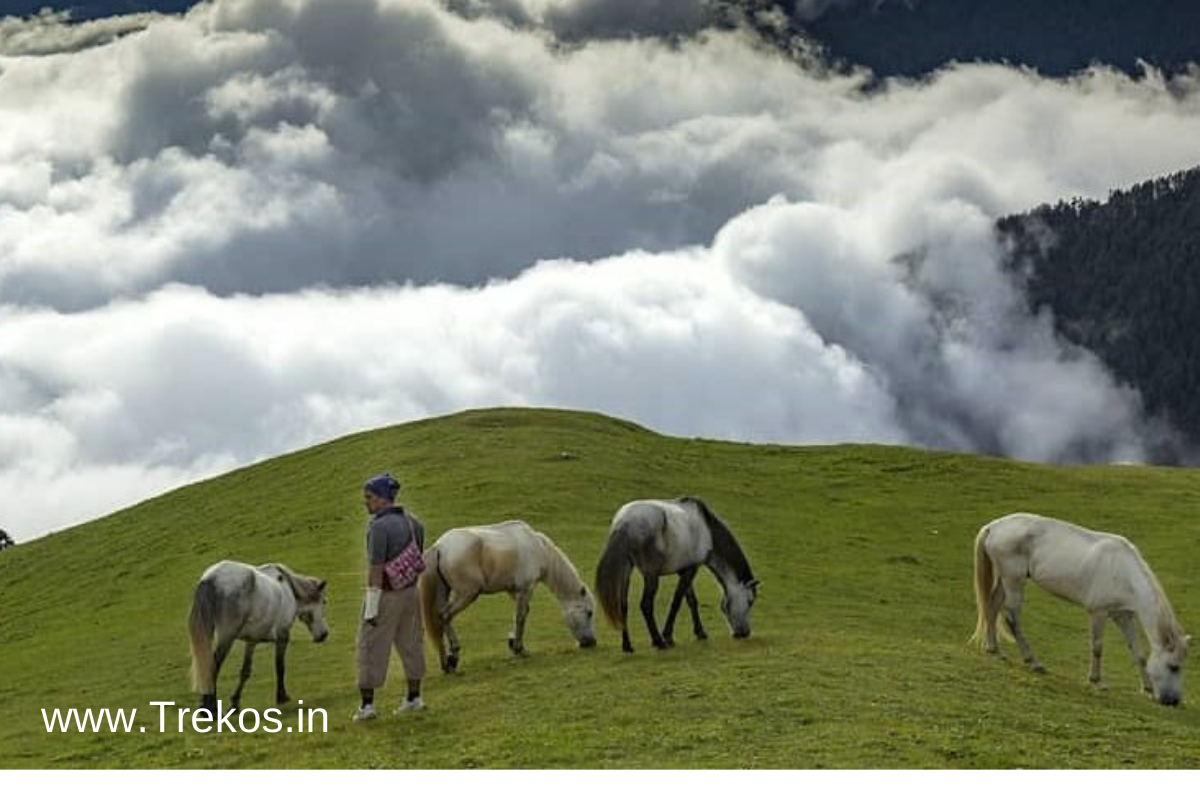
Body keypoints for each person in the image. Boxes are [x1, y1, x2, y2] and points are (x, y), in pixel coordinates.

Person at [353, 472, 427, 721]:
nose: (366, 502)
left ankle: (367, 706)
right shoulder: (414, 522)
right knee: (412, 644)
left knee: (370, 646)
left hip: (385, 594)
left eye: (369, 497)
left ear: (383, 499)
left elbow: (376, 568)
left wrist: (372, 606)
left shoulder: (378, 527)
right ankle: (414, 698)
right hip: (410, 593)